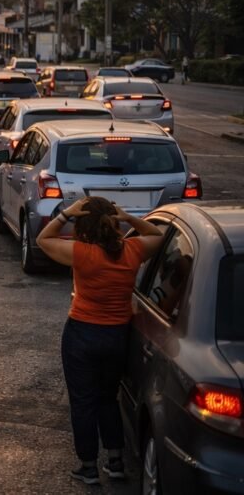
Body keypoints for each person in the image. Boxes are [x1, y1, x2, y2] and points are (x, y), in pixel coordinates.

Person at [37, 196, 165, 485]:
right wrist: (129, 218)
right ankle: (116, 461)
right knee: (108, 398)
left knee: (83, 402)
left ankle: (88, 467)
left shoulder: (82, 253)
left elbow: (44, 239)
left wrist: (66, 213)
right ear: (113, 222)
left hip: (82, 333)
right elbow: (156, 234)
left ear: (84, 225)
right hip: (116, 335)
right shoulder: (133, 250)